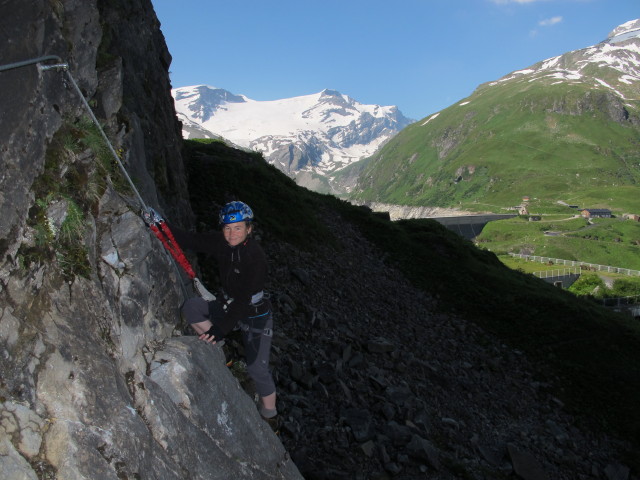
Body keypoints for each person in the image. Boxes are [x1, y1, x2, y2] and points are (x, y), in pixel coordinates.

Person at [170, 201, 277, 422]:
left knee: (257, 370)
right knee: (192, 308)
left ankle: (270, 414)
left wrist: (221, 328)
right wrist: (161, 224)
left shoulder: (255, 257)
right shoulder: (221, 243)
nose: (231, 234)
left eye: (238, 227)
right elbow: (191, 240)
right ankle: (221, 350)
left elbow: (245, 300)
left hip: (255, 315)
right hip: (230, 305)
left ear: (249, 229)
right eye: (227, 228)